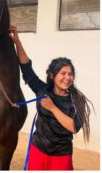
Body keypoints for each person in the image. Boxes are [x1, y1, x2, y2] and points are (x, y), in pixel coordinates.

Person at [9, 25, 92, 170]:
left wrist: (52, 107)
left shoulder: (77, 99)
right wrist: (17, 42)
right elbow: (27, 69)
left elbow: (73, 127)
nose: (67, 78)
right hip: (38, 151)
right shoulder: (43, 90)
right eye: (63, 73)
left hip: (61, 156)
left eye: (70, 74)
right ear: (53, 76)